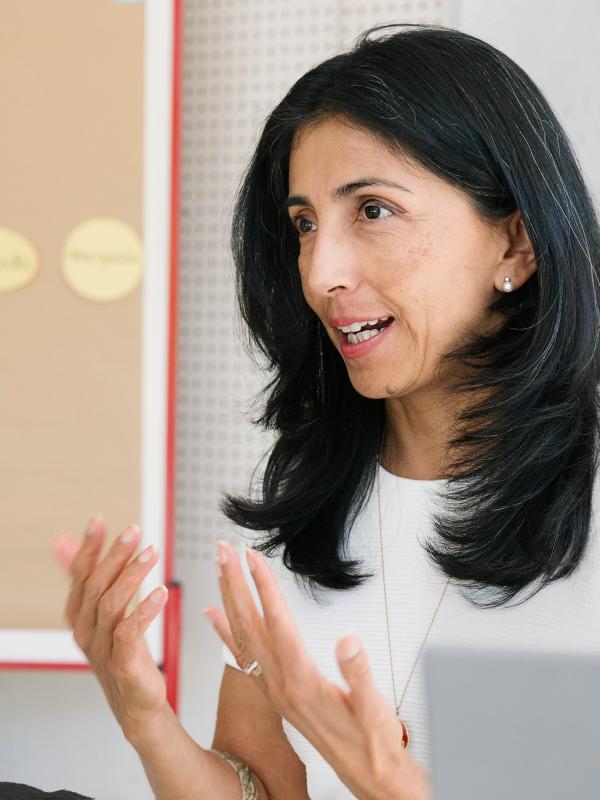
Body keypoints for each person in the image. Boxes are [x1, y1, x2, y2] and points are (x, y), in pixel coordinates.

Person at [52, 21, 600, 800]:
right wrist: (143, 713)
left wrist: (385, 783)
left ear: (516, 244)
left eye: (372, 210)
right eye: (305, 224)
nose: (320, 273)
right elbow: (264, 790)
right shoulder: (313, 497)